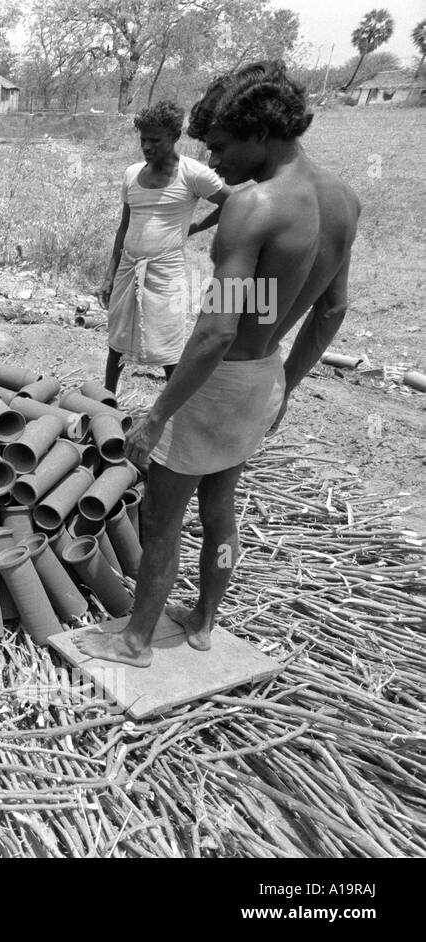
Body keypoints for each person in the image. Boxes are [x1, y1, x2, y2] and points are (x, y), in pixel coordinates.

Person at [76, 61, 360, 668]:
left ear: (261, 133)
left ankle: (136, 640)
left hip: (216, 379)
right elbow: (332, 309)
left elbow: (216, 330)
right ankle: (204, 621)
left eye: (224, 147)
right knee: (220, 505)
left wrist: (156, 415)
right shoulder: (342, 201)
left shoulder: (254, 208)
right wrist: (285, 380)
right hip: (262, 378)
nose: (217, 161)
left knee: (162, 515)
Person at [98, 100, 229, 393]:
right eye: (143, 139)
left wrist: (195, 227)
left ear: (174, 137)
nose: (147, 146)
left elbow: (232, 203)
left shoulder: (192, 174)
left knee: (168, 343)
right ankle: (107, 399)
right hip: (128, 267)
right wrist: (110, 273)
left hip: (166, 271)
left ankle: (175, 407)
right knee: (117, 338)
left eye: (155, 140)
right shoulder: (132, 174)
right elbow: (124, 226)